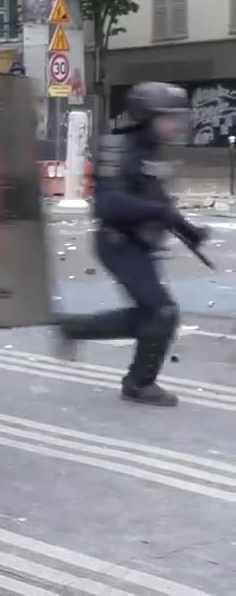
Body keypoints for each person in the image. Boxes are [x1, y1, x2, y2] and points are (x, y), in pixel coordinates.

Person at [55, 82, 205, 406]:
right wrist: (159, 211)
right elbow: (107, 205)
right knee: (162, 312)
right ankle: (138, 383)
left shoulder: (153, 152)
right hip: (117, 242)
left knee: (153, 314)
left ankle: (75, 328)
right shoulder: (117, 148)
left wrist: (190, 232)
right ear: (146, 116)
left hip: (139, 244)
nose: (175, 125)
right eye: (168, 117)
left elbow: (159, 204)